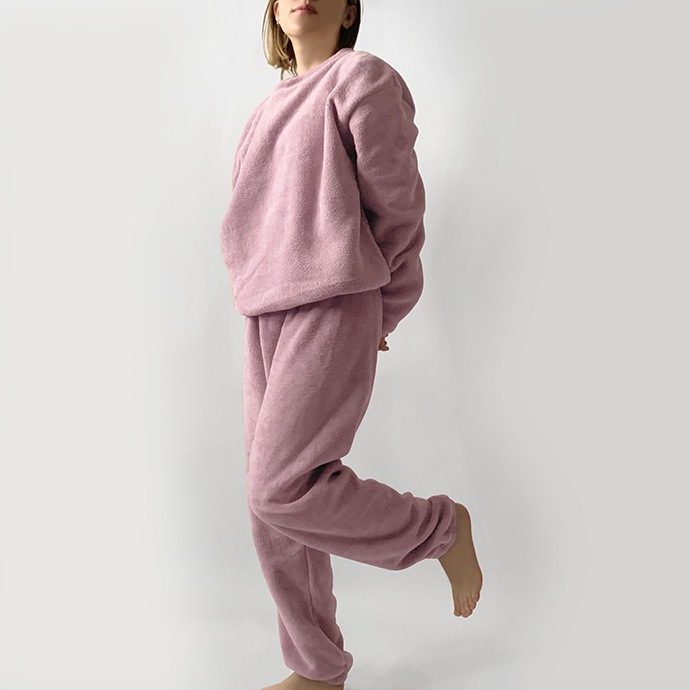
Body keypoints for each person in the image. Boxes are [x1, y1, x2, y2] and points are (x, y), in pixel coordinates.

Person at [219, 2, 483, 688]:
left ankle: (441, 528)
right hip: (263, 313)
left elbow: (399, 210)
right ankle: (318, 670)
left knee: (280, 488)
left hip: (335, 300)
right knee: (272, 509)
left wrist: (378, 313)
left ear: (348, 10)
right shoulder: (262, 113)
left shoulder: (361, 78)